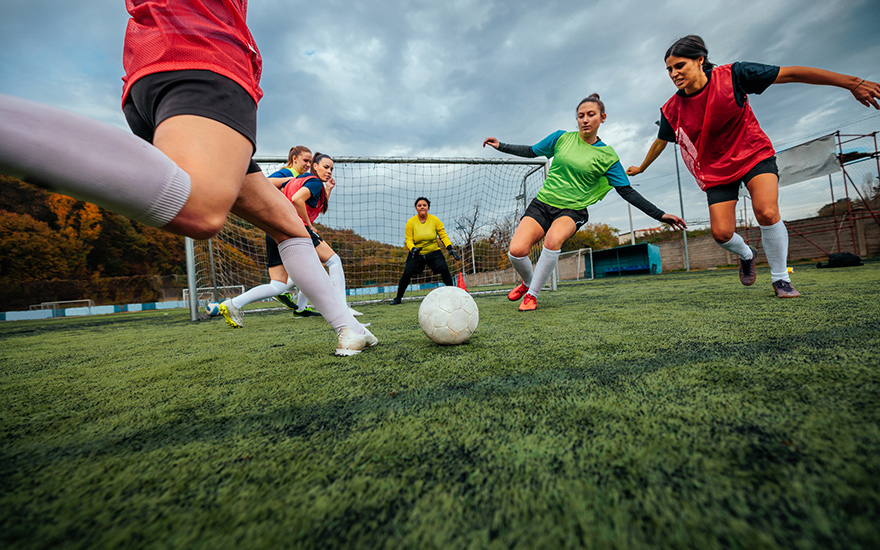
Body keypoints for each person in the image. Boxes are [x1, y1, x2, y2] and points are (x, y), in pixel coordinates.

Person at [0, 0, 376, 355]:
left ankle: (349, 327)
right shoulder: (307, 182)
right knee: (200, 208)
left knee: (289, 226)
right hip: (205, 58)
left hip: (146, 74)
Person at [626, 35, 880, 298]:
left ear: (700, 60)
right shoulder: (672, 109)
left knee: (766, 212)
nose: (673, 74)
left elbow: (791, 74)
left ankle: (781, 279)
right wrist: (642, 167)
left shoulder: (734, 75)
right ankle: (747, 254)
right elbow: (661, 140)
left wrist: (853, 83)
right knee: (721, 234)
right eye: (669, 69)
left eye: (679, 66)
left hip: (753, 154)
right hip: (715, 169)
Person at [484, 94, 686, 311]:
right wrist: (501, 145)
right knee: (516, 251)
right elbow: (531, 151)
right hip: (542, 204)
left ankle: (532, 295)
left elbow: (626, 191)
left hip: (572, 210)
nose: (585, 120)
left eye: (591, 115)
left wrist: (660, 215)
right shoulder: (561, 138)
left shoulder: (607, 156)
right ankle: (527, 283)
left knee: (552, 240)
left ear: (602, 118)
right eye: (581, 116)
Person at [219, 153, 363, 326]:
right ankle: (342, 309)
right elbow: (297, 199)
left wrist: (328, 190)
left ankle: (233, 304)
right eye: (326, 167)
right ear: (314, 167)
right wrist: (308, 225)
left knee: (278, 285)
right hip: (294, 229)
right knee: (333, 261)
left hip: (274, 230)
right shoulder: (314, 182)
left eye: (332, 169)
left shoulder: (296, 181)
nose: (329, 171)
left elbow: (309, 204)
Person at [389, 197, 461, 305]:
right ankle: (398, 298)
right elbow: (408, 240)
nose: (422, 207)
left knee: (444, 269)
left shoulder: (435, 220)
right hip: (417, 253)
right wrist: (413, 248)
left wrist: (450, 248)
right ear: (416, 208)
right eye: (419, 205)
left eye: (424, 205)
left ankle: (453, 295)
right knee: (407, 273)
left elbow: (443, 236)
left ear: (428, 207)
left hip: (433, 252)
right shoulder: (411, 222)